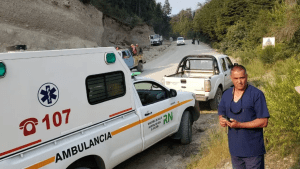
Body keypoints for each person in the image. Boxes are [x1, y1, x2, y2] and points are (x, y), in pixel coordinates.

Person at [218, 64, 270, 169]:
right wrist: (222, 120)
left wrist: (240, 125)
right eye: (236, 78)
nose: (239, 81)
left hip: (253, 151)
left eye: (242, 78)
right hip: (235, 150)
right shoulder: (227, 94)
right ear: (231, 78)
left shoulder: (256, 94)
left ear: (246, 76)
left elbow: (264, 121)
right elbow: (221, 112)